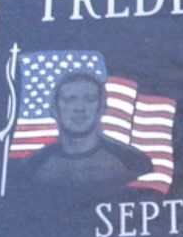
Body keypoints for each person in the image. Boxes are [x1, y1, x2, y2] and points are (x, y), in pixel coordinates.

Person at [19, 73, 153, 188]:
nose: (79, 108)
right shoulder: (31, 167)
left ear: (102, 107)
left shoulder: (134, 162)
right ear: (54, 110)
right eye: (69, 100)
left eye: (90, 99)